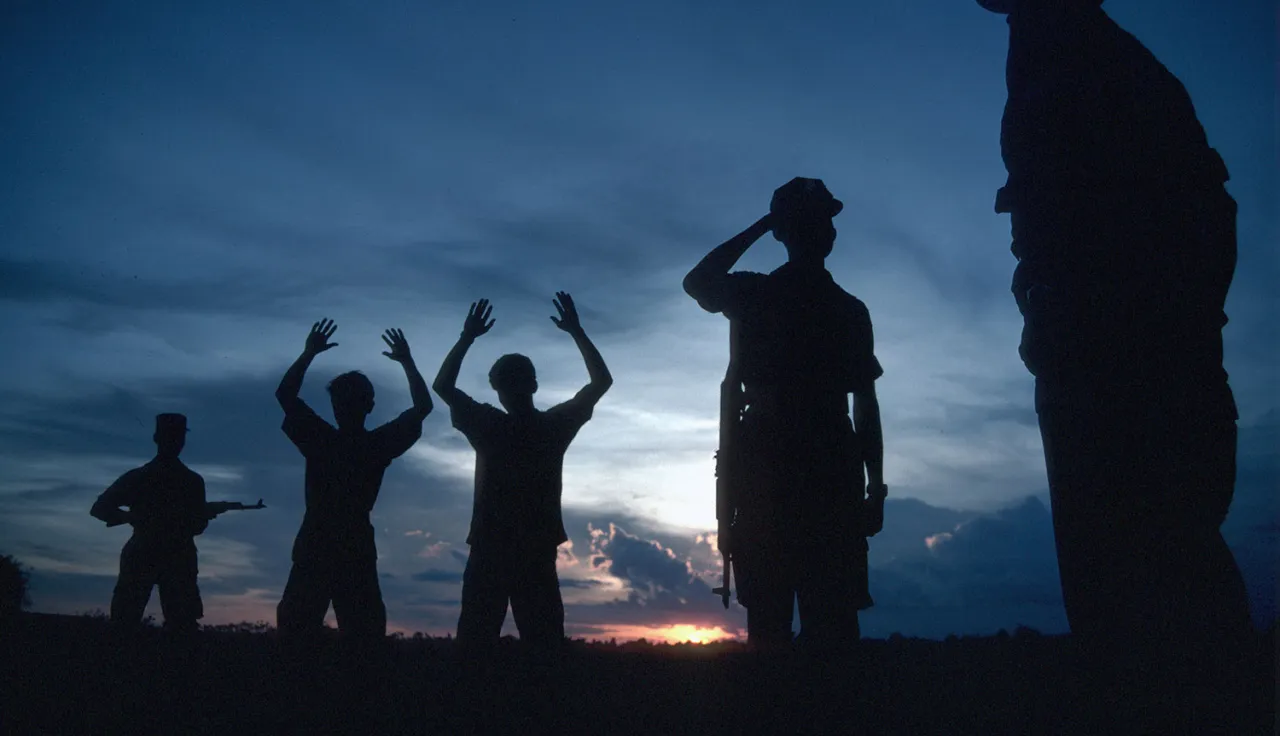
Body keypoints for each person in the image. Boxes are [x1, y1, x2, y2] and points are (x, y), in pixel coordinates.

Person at [978, 0, 1252, 719]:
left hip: (1122, 363)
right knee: (1135, 586)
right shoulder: (1070, 53)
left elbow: (1195, 210)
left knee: (1152, 586)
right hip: (1108, 352)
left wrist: (1128, 319)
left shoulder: (1083, 57)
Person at [683, 177, 887, 651]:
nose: (827, 232)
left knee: (787, 634)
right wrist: (875, 486)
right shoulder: (840, 308)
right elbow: (866, 409)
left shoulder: (766, 298)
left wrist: (763, 226)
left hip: (786, 474)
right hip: (805, 475)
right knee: (812, 634)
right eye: (819, 222)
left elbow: (866, 407)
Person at [432, 293, 612, 654]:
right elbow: (600, 382)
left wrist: (467, 337)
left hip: (495, 547)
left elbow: (443, 387)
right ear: (533, 385)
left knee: (478, 646)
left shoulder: (490, 424)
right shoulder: (552, 426)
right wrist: (577, 332)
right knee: (541, 647)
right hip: (529, 549)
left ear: (498, 391)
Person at [274, 319, 432, 643]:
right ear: (370, 405)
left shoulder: (321, 440)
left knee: (297, 638)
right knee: (362, 642)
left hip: (318, 544)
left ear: (336, 406)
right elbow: (422, 407)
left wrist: (308, 354)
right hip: (353, 547)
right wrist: (407, 362)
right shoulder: (374, 446)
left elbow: (285, 394)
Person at [91, 413, 209, 633]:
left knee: (132, 625)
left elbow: (100, 508)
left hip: (157, 554)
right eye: (173, 436)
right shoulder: (189, 481)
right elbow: (100, 509)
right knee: (172, 629)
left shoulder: (142, 477)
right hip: (167, 555)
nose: (176, 442)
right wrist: (132, 518)